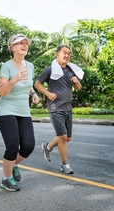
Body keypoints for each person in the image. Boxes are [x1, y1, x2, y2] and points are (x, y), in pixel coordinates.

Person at [0, 34, 40, 191]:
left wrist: (33, 93)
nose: (24, 45)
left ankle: (12, 165)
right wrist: (14, 79)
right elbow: (2, 91)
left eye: (25, 43)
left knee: (28, 146)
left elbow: (28, 85)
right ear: (12, 48)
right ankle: (6, 179)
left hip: (23, 111)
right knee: (13, 144)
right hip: (6, 110)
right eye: (19, 43)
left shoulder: (30, 66)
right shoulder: (6, 66)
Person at [34, 44, 83, 174]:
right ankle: (65, 165)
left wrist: (76, 82)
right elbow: (37, 84)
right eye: (64, 53)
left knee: (67, 138)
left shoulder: (71, 70)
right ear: (57, 54)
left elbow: (78, 88)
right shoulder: (50, 70)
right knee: (62, 137)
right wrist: (48, 94)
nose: (67, 55)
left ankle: (47, 147)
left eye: (69, 53)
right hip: (55, 108)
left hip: (68, 108)